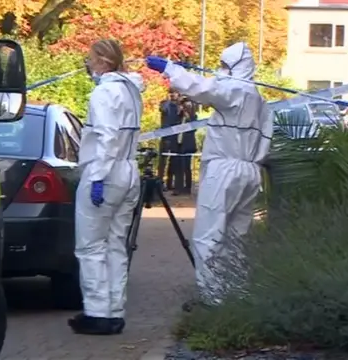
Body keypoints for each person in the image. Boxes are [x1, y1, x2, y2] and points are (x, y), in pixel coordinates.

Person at [146, 42, 273, 308]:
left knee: (209, 236)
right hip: (250, 171)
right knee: (236, 237)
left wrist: (171, 69)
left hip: (225, 169)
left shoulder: (235, 90)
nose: (220, 69)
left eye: (224, 65)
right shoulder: (257, 98)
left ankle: (213, 299)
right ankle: (235, 294)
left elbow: (202, 89)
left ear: (235, 67)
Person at [69, 39, 144, 335]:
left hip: (106, 172)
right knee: (116, 245)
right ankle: (115, 311)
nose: (87, 63)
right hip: (128, 172)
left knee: (90, 246)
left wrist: (98, 178)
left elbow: (106, 137)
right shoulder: (132, 91)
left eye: (90, 57)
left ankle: (97, 312)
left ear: (102, 60)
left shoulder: (104, 93)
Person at [172, 98, 197, 196]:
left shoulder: (193, 117)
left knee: (186, 167)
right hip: (178, 144)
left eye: (186, 107)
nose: (184, 108)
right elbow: (173, 127)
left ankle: (187, 188)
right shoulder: (178, 117)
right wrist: (179, 113)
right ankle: (178, 188)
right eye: (183, 106)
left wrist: (188, 118)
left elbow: (194, 129)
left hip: (188, 145)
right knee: (177, 167)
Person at [158, 90, 181, 190]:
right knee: (163, 161)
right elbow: (163, 109)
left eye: (174, 92)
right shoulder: (165, 104)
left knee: (174, 161)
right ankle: (160, 182)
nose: (172, 94)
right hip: (166, 135)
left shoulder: (180, 106)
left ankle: (169, 183)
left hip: (176, 137)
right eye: (171, 92)